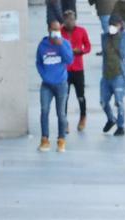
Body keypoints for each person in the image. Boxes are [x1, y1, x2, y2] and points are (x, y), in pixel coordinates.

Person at [36, 22, 74, 152]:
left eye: (58, 30)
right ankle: (45, 139)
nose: (56, 32)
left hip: (61, 84)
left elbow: (70, 60)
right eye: (54, 30)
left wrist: (61, 46)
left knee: (61, 113)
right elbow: (39, 62)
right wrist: (44, 75)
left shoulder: (65, 43)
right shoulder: (43, 45)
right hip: (46, 84)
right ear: (49, 30)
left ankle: (61, 140)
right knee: (44, 111)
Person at [100, 15, 125, 137]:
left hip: (119, 76)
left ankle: (121, 126)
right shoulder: (104, 38)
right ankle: (111, 119)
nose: (111, 28)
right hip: (106, 76)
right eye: (110, 25)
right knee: (103, 101)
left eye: (114, 25)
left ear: (120, 26)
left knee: (119, 102)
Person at [61, 10, 92, 132]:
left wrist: (81, 51)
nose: (70, 22)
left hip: (78, 68)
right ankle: (65, 122)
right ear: (64, 21)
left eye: (72, 19)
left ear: (75, 20)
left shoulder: (81, 31)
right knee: (65, 97)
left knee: (80, 96)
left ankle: (83, 116)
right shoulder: (60, 32)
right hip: (65, 70)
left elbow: (88, 46)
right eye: (67, 20)